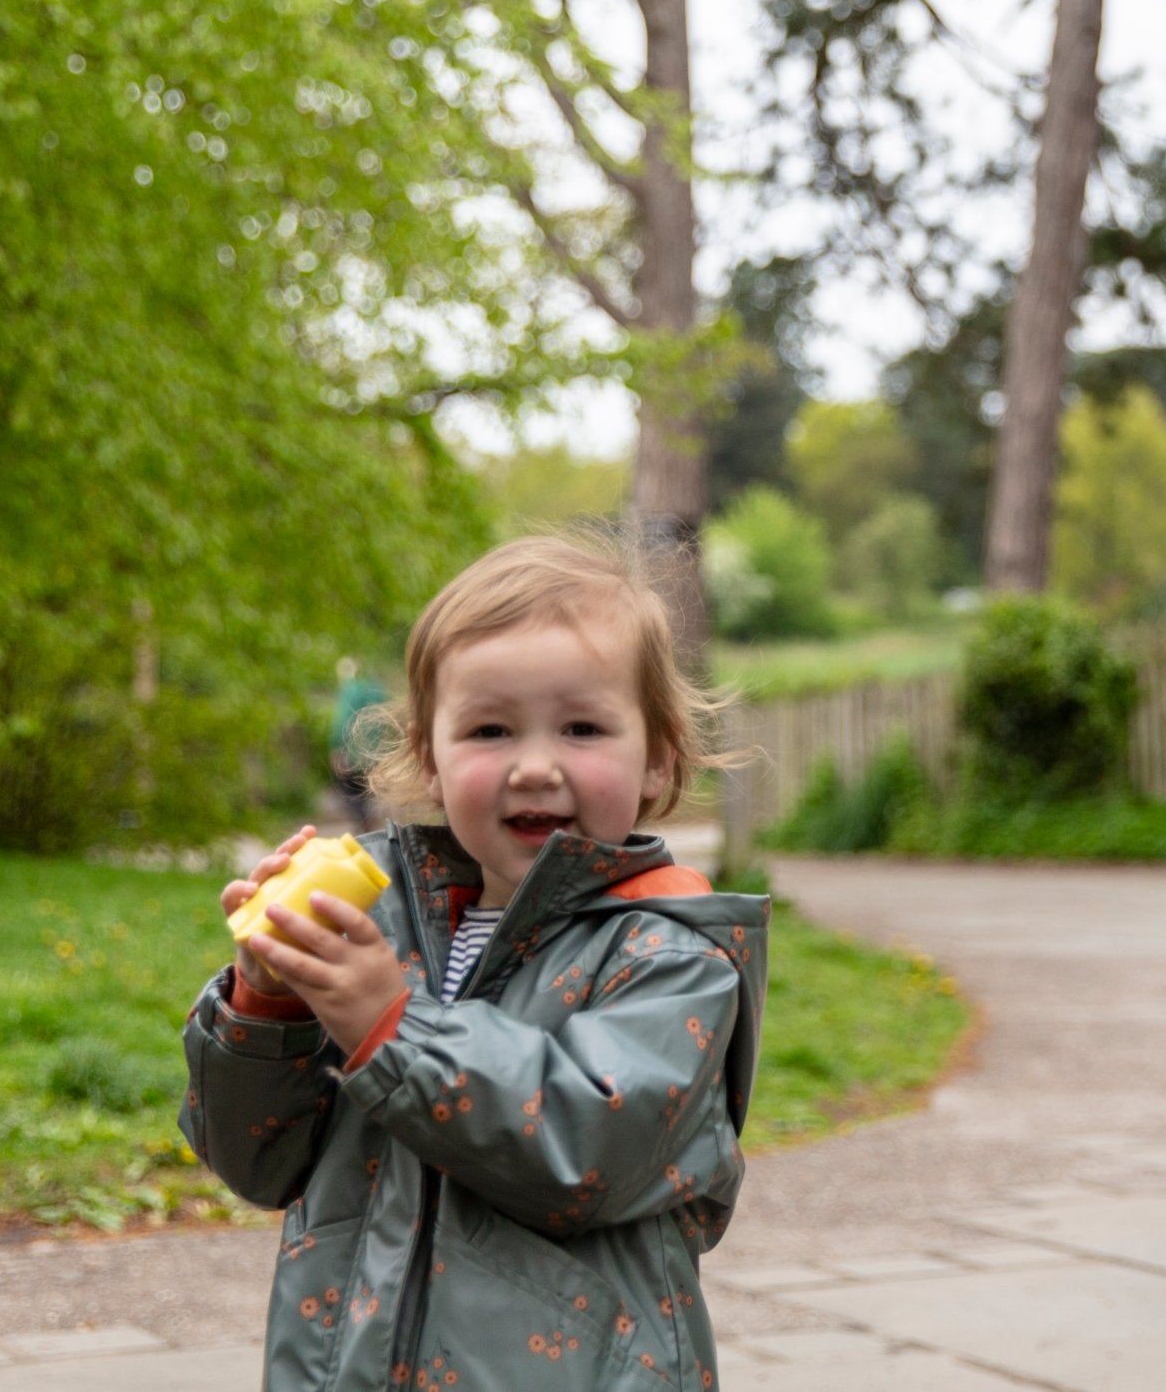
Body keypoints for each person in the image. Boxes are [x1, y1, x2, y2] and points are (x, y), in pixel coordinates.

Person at [180, 534, 767, 1391]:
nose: (535, 765)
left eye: (582, 727)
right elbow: (256, 1162)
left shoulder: (670, 950)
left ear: (657, 759)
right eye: (490, 729)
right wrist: (268, 1008)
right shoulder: (379, 928)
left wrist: (392, 1025)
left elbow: (585, 1151)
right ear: (430, 757)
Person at [326, 660, 388, 833]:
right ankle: (370, 826)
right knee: (367, 792)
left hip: (352, 753)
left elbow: (341, 723)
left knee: (350, 794)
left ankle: (365, 828)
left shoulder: (350, 691)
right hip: (373, 754)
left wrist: (336, 749)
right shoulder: (377, 690)